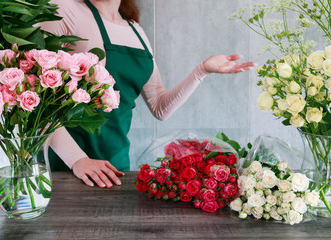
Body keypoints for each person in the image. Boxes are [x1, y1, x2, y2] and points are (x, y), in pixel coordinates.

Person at [41, 0, 256, 188]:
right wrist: (77, 160)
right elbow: (33, 103)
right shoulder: (65, 10)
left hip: (116, 165)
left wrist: (202, 71)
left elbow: (160, 107)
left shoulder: (136, 31)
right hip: (68, 167)